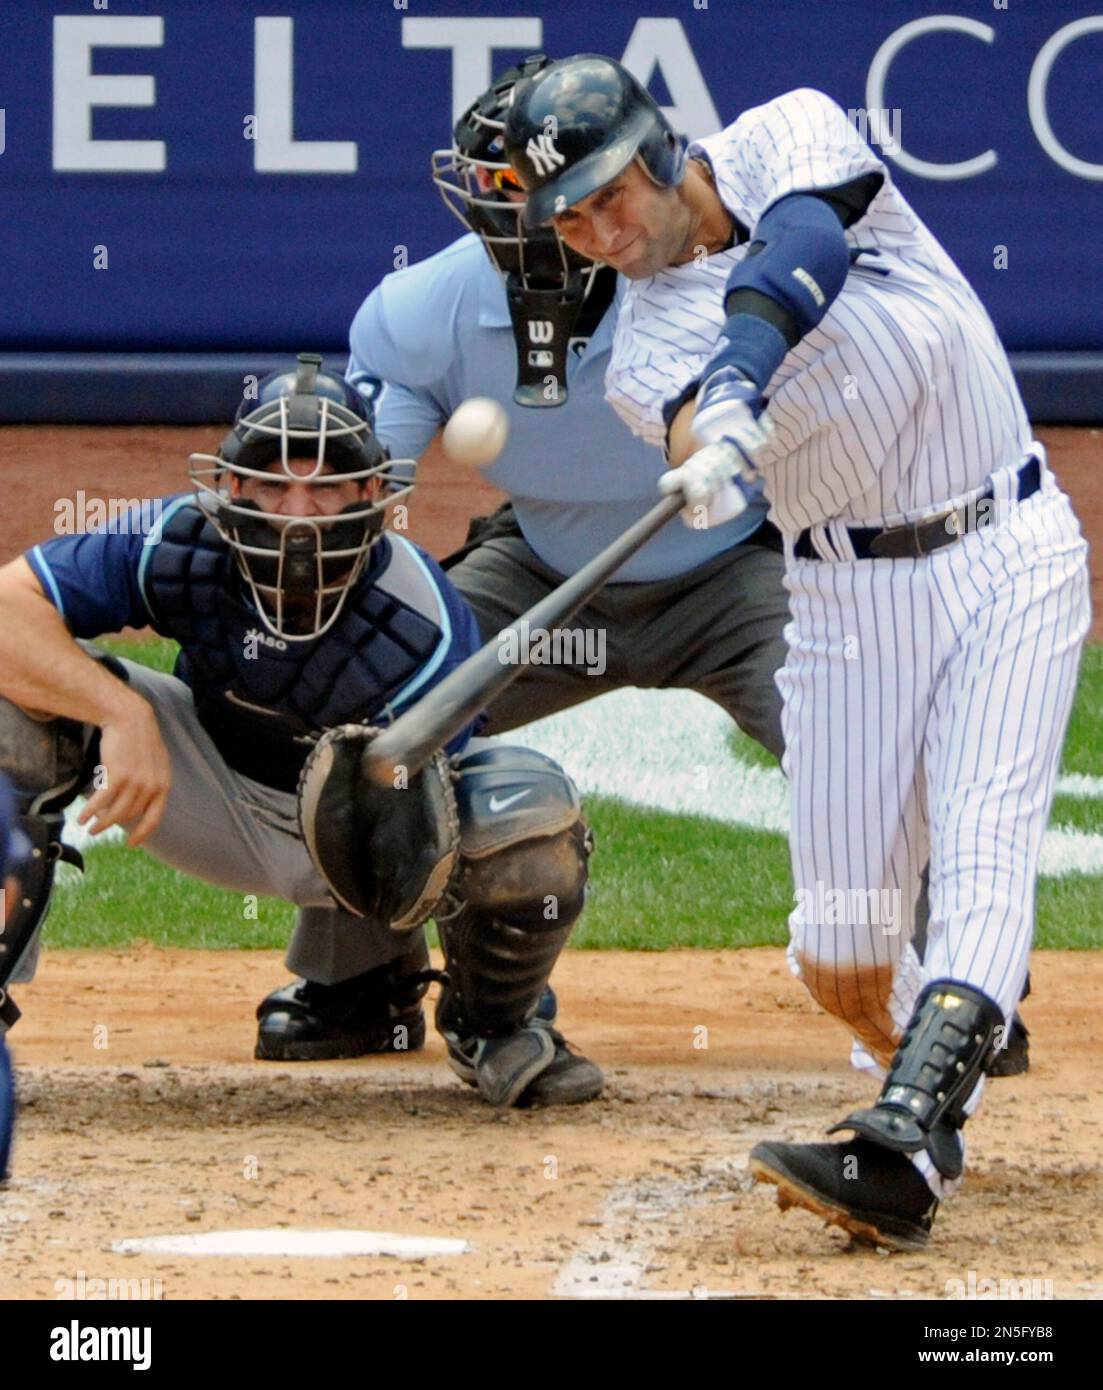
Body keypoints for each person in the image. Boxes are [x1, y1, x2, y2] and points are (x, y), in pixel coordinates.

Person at [502, 55, 1088, 1246]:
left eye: (610, 193)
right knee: (840, 948)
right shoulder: (635, 352)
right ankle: (935, 1060)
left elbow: (801, 249)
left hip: (1005, 545)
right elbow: (675, 423)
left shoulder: (788, 134)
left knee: (980, 839)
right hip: (843, 605)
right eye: (568, 218)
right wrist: (701, 442)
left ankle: (909, 1133)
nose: (599, 231)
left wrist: (736, 384)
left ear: (660, 150)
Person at [280, 56, 793, 1063]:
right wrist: (351, 549)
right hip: (545, 572)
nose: (550, 220)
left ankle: (947, 983)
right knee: (380, 717)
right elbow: (367, 488)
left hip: (736, 570)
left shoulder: (728, 275)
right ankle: (356, 978)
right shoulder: (418, 312)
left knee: (857, 723)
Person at [0, 354, 600, 1109]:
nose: (297, 512)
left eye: (324, 488)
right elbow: (6, 612)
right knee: (13, 709)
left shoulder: (421, 620)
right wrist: (120, 713)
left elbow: (411, 830)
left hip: (373, 840)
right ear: (232, 487)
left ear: (373, 494)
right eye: (275, 484)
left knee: (524, 807)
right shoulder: (175, 543)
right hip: (206, 792)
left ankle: (487, 1020)